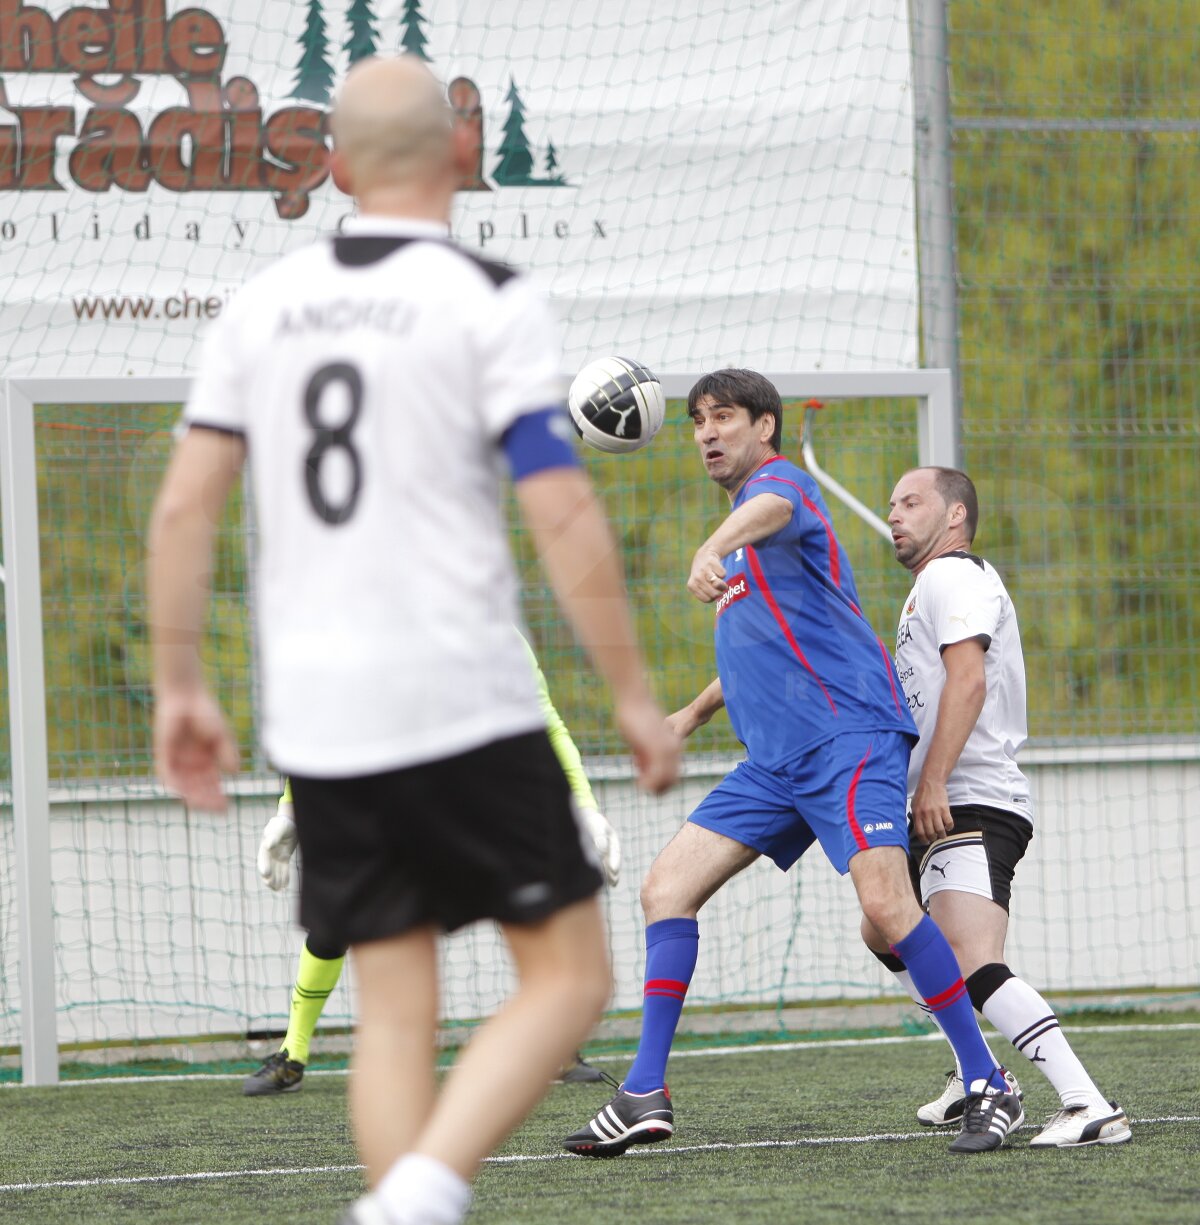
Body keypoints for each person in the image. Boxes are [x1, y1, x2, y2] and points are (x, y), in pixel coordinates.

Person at [148, 55, 679, 1225]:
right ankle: (418, 1199)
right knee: (572, 976)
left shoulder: (260, 307)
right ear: (458, 158)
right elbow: (559, 507)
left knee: (395, 1012)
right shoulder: (486, 295)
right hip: (458, 690)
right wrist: (634, 696)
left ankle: (401, 1203)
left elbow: (185, 506)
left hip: (322, 714)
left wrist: (178, 683)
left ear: (331, 165)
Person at [563, 369, 1020, 1160]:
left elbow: (771, 506)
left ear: (764, 427)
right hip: (775, 760)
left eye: (726, 416)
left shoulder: (779, 489)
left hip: (847, 736)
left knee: (885, 904)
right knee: (664, 887)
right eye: (699, 420)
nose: (708, 431)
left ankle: (989, 1081)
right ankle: (644, 1090)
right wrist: (693, 713)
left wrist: (711, 542)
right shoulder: (748, 543)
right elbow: (760, 643)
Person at [861, 466, 1131, 1148]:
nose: (894, 513)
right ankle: (970, 1067)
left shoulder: (954, 575)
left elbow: (970, 678)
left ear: (955, 515)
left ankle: (1085, 1101)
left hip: (971, 797)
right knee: (883, 927)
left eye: (912, 501)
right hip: (944, 799)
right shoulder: (929, 587)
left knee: (973, 955)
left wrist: (935, 781)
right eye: (891, 504)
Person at [244, 633, 620, 1095]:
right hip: (383, 797)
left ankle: (555, 1048)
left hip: (475, 792)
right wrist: (290, 811)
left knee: (530, 904)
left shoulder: (497, 632)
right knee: (338, 925)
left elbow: (545, 723)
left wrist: (584, 806)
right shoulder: (361, 633)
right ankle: (293, 1052)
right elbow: (327, 729)